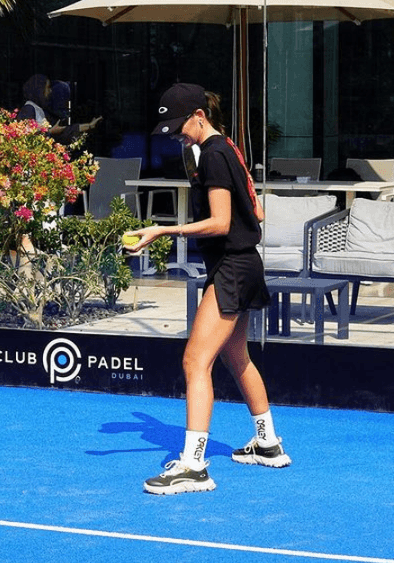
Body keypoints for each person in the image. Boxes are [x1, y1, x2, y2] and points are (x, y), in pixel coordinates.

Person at [122, 83, 288, 495]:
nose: (176, 134)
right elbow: (258, 212)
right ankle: (267, 442)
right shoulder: (225, 149)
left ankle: (193, 466)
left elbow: (221, 223)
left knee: (195, 361)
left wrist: (163, 229)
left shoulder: (214, 155)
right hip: (243, 265)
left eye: (180, 126)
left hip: (231, 267)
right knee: (236, 355)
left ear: (199, 115)